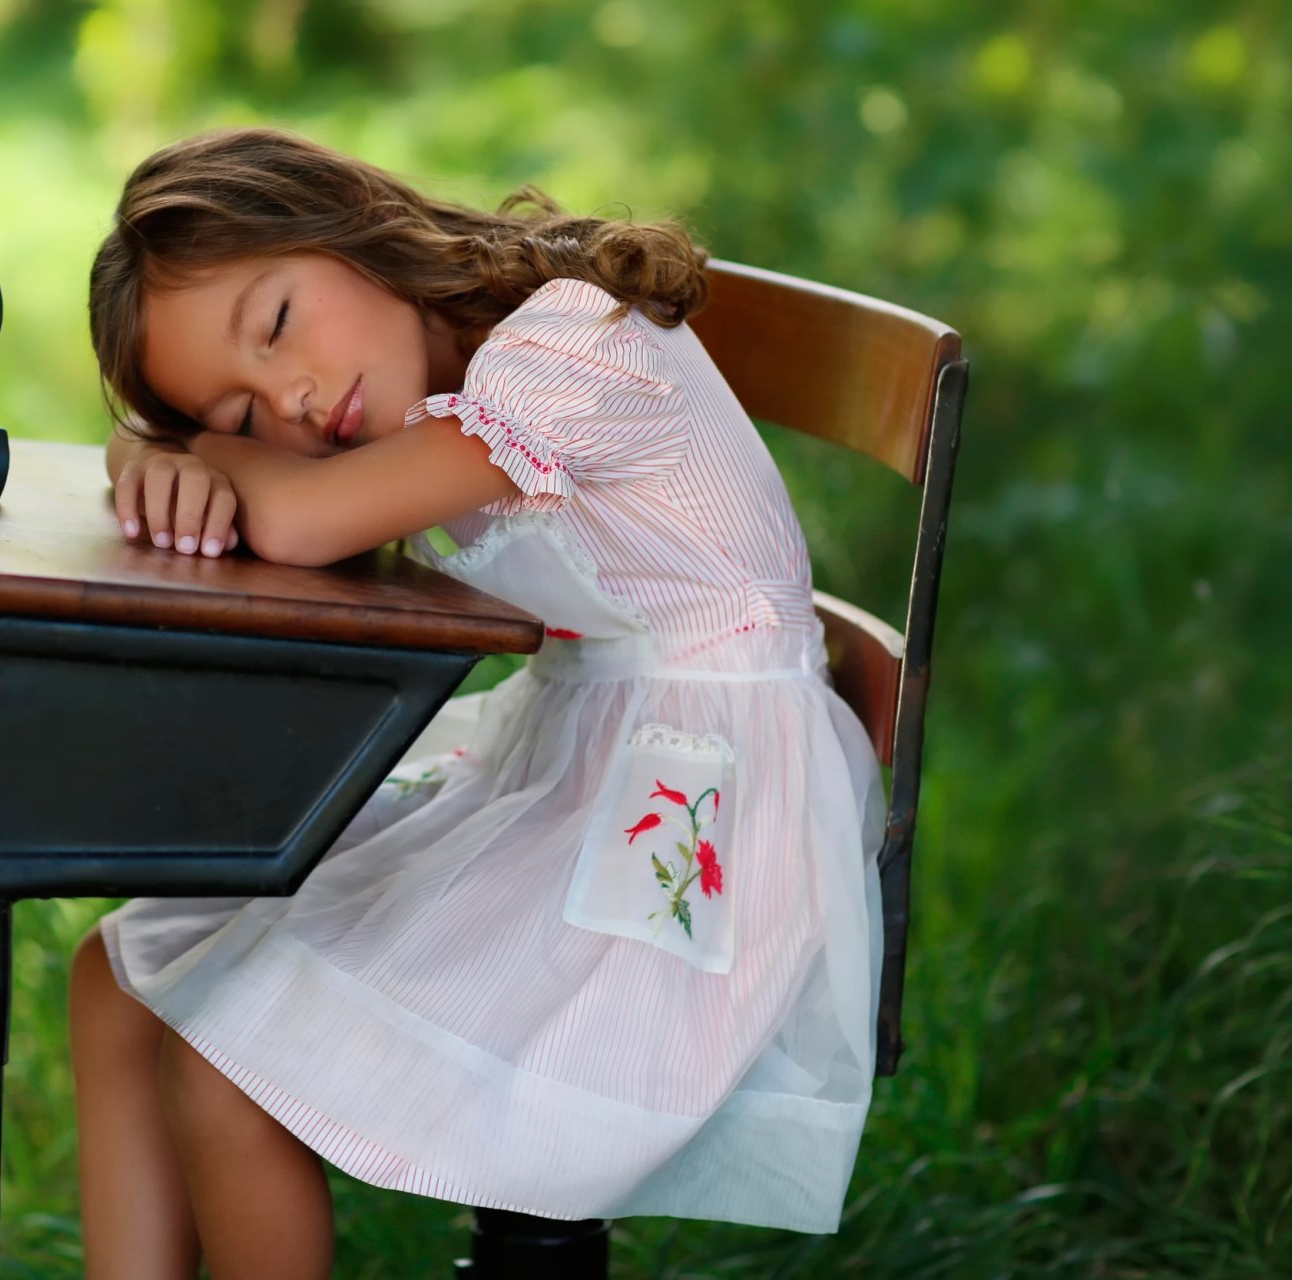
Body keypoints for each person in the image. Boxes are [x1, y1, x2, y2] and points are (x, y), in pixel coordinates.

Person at [70, 126, 886, 1280]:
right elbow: (297, 510)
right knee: (115, 976)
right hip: (579, 762)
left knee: (222, 1062)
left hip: (698, 813)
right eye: (244, 414)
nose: (290, 400)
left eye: (278, 322)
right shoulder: (431, 390)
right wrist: (150, 453)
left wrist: (197, 452)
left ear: (351, 225)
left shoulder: (570, 344)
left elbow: (298, 522)